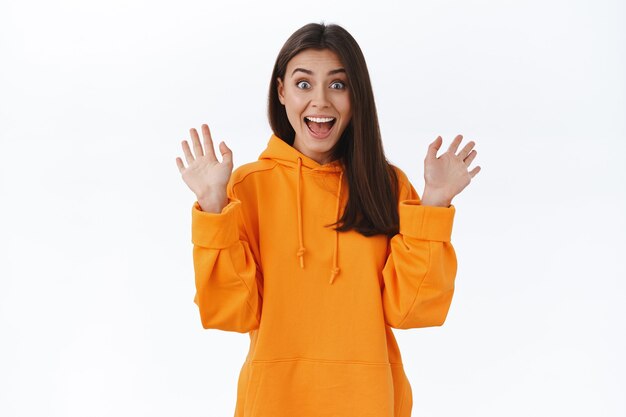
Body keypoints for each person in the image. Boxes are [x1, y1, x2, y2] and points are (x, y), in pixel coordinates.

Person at [175, 22, 479, 417]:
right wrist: (214, 204)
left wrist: (435, 202)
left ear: (357, 96)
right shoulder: (246, 188)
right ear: (281, 91)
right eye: (304, 84)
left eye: (338, 85)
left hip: (371, 403)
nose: (320, 101)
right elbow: (231, 311)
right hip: (273, 403)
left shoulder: (385, 186)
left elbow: (412, 310)